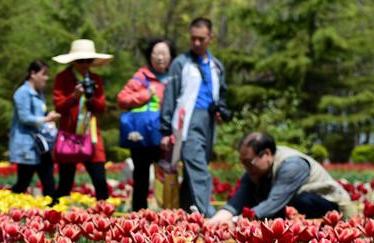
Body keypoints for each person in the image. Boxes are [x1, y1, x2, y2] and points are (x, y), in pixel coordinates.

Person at [160, 18, 229, 216]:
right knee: (199, 170)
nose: (196, 43)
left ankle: (183, 215)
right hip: (186, 124)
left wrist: (221, 110)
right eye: (193, 39)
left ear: (211, 38)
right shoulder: (180, 63)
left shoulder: (217, 65)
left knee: (193, 172)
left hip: (208, 123)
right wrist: (165, 131)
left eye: (201, 39)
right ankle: (209, 216)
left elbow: (221, 94)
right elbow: (170, 96)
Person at [207, 132, 356, 222]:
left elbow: (274, 203)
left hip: (328, 206)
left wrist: (236, 221)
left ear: (266, 154)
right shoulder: (255, 170)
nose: (245, 167)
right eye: (243, 162)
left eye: (248, 162)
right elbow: (237, 201)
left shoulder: (292, 165)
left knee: (299, 204)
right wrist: (217, 220)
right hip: (295, 206)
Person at [52, 39, 112, 201]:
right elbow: (58, 106)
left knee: (100, 182)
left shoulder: (95, 79)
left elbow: (101, 107)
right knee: (65, 183)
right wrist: (74, 97)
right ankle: (55, 219)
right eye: (81, 60)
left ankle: (105, 219)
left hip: (91, 137)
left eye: (89, 60)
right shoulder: (62, 78)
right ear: (73, 61)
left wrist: (90, 98)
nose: (85, 64)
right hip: (69, 137)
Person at [117, 38, 173, 211]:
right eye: (156, 53)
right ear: (150, 56)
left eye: (164, 53)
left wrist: (171, 135)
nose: (160, 57)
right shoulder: (141, 77)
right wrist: (145, 95)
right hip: (141, 137)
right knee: (140, 177)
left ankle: (169, 217)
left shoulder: (175, 78)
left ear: (171, 56)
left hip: (165, 136)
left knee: (167, 177)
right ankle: (139, 216)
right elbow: (122, 99)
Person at [9, 60, 61, 200]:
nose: (46, 78)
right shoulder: (22, 93)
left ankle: (53, 213)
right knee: (23, 183)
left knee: (49, 180)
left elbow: (40, 116)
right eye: (43, 74)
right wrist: (46, 119)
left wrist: (49, 123)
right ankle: (3, 208)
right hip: (27, 145)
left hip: (41, 145)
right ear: (33, 74)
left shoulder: (39, 94)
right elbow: (25, 118)